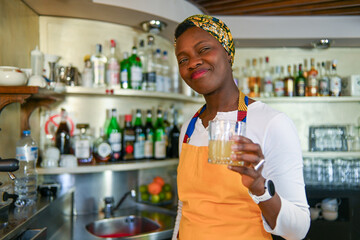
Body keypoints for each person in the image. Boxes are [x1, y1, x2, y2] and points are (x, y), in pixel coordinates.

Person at [172, 14, 310, 240]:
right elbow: (184, 208)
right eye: (182, 59)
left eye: (203, 49)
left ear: (227, 53)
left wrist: (259, 187)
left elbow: (298, 230)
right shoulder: (189, 128)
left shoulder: (272, 123)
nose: (193, 62)